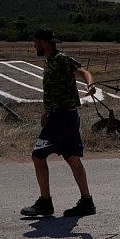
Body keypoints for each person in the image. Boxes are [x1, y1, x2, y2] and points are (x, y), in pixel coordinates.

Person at [21, 28, 98, 217]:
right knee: (72, 158)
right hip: (63, 116)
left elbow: (83, 72)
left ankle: (45, 203)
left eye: (35, 41)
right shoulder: (49, 62)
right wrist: (46, 111)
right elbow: (53, 90)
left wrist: (90, 84)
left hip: (62, 118)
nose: (34, 45)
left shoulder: (61, 59)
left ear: (44, 42)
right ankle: (87, 202)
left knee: (38, 156)